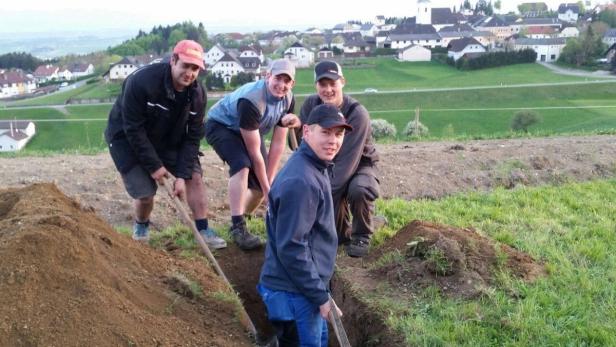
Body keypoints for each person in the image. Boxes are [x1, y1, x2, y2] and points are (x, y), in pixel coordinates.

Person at [104, 40, 226, 249]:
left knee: (194, 177)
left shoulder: (197, 94)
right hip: (126, 137)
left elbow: (193, 136)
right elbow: (133, 128)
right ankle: (141, 226)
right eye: (185, 65)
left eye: (195, 68)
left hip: (169, 137)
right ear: (173, 60)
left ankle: (203, 229)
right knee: (145, 194)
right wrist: (155, 167)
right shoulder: (142, 82)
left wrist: (181, 175)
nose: (189, 73)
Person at [258, 103, 348, 346]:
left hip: (304, 288)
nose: (333, 141)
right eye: (326, 132)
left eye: (338, 134)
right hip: (293, 293)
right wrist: (320, 296)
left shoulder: (315, 166)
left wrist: (320, 291)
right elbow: (293, 247)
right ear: (306, 132)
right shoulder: (302, 181)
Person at [205, 59, 300, 250]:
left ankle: (242, 219)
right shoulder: (252, 100)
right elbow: (255, 152)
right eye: (277, 78)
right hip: (222, 127)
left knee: (257, 187)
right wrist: (268, 190)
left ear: (292, 84)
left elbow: (278, 143)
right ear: (267, 76)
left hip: (250, 131)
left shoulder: (288, 99)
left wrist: (268, 184)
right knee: (242, 165)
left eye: (286, 81)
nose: (281, 85)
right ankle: (237, 227)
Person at [294, 60, 380, 258]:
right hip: (325, 164)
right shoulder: (310, 105)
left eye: (333, 83)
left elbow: (345, 166)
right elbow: (304, 145)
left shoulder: (357, 114)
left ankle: (362, 234)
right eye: (322, 84)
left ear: (342, 82)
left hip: (358, 163)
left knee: (359, 189)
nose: (328, 89)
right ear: (316, 85)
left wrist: (318, 195)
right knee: (335, 236)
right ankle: (341, 232)